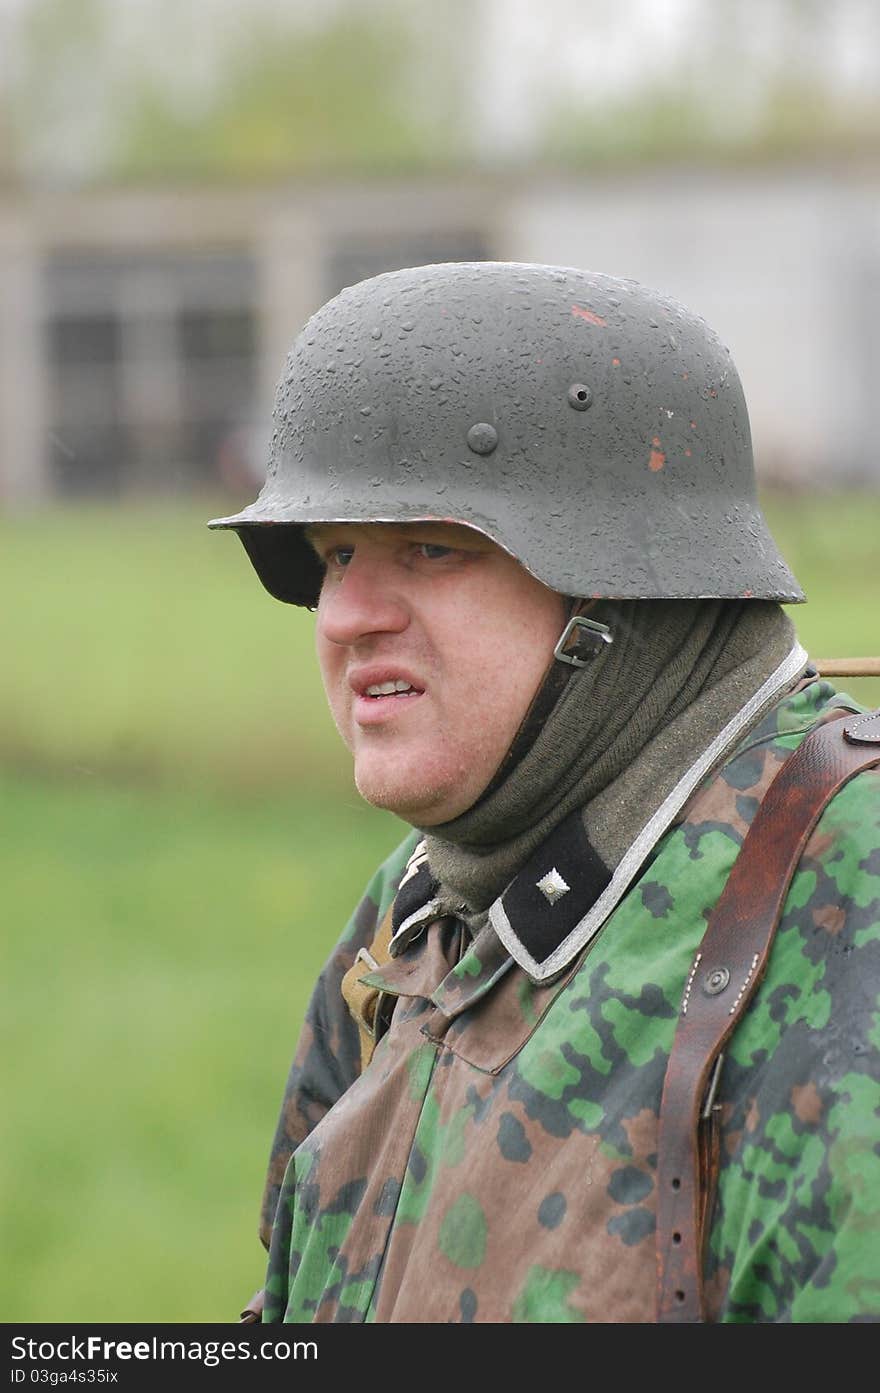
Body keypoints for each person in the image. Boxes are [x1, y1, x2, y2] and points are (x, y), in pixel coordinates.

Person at [209, 261, 879, 1324]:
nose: (344, 616)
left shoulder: (842, 891)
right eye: (336, 554)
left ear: (622, 581)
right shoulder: (422, 899)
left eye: (430, 547)